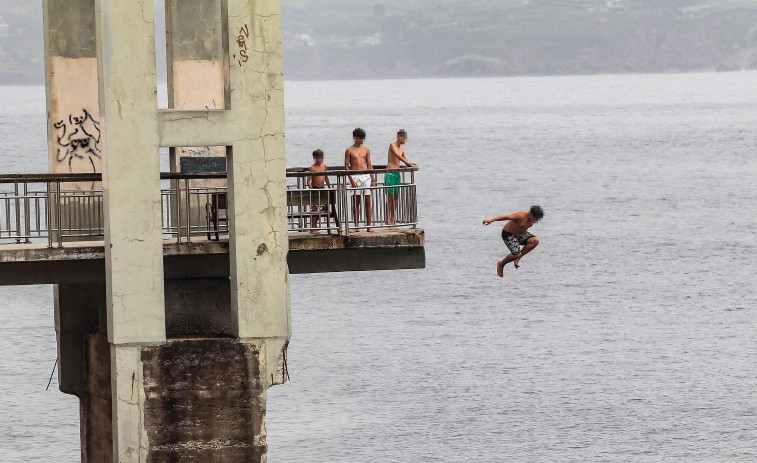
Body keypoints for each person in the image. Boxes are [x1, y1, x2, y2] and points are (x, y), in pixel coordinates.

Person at [483, 206, 544, 277]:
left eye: (538, 219)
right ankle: (501, 264)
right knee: (516, 254)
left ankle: (518, 258)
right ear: (531, 215)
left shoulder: (531, 220)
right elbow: (506, 217)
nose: (536, 221)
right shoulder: (521, 215)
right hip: (508, 234)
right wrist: (491, 220)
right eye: (536, 218)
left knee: (535, 241)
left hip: (519, 234)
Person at [385, 129, 418, 228]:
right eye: (404, 138)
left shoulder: (402, 149)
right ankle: (388, 218)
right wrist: (407, 163)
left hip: (397, 174)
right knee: (390, 197)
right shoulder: (392, 145)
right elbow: (398, 156)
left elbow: (405, 160)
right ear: (399, 137)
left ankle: (392, 218)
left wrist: (411, 164)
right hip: (390, 173)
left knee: (396, 197)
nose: (405, 141)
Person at [345, 127, 375, 231]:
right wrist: (351, 180)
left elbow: (369, 164)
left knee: (367, 200)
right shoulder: (349, 150)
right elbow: (346, 167)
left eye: (363, 138)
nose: (361, 140)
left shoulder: (366, 150)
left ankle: (369, 226)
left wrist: (373, 179)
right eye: (359, 138)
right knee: (356, 201)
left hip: (366, 175)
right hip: (355, 176)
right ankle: (356, 226)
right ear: (355, 138)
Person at [307, 149, 331, 233]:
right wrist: (312, 190)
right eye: (317, 158)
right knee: (315, 208)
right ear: (314, 158)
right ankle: (312, 227)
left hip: (322, 188)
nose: (319, 160)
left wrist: (329, 186)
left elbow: (326, 177)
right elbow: (308, 181)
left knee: (325, 207)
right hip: (315, 188)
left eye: (321, 158)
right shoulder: (312, 168)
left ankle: (315, 222)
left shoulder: (324, 166)